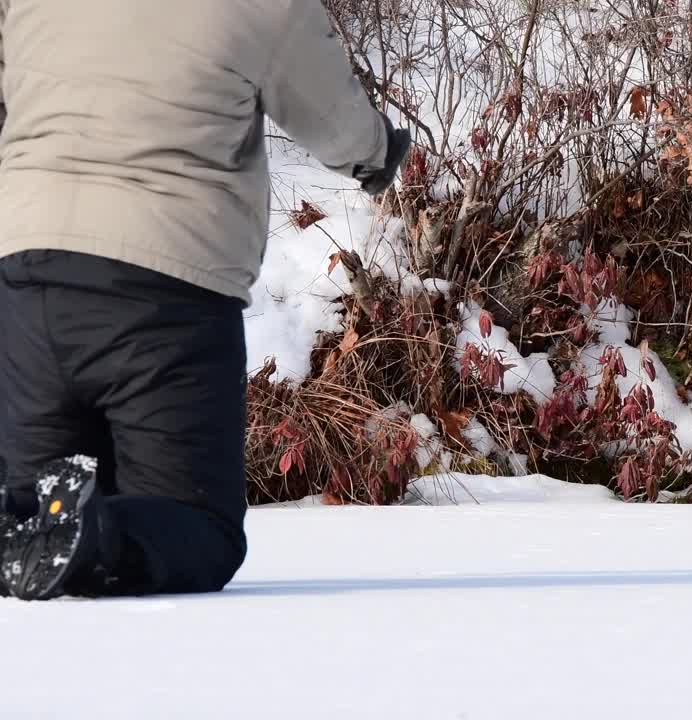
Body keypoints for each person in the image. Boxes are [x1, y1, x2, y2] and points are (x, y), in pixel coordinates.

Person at [0, 0, 411, 600]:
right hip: (164, 290)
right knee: (192, 523)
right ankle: (90, 540)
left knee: (35, 530)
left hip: (26, 278)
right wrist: (375, 154)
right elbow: (331, 115)